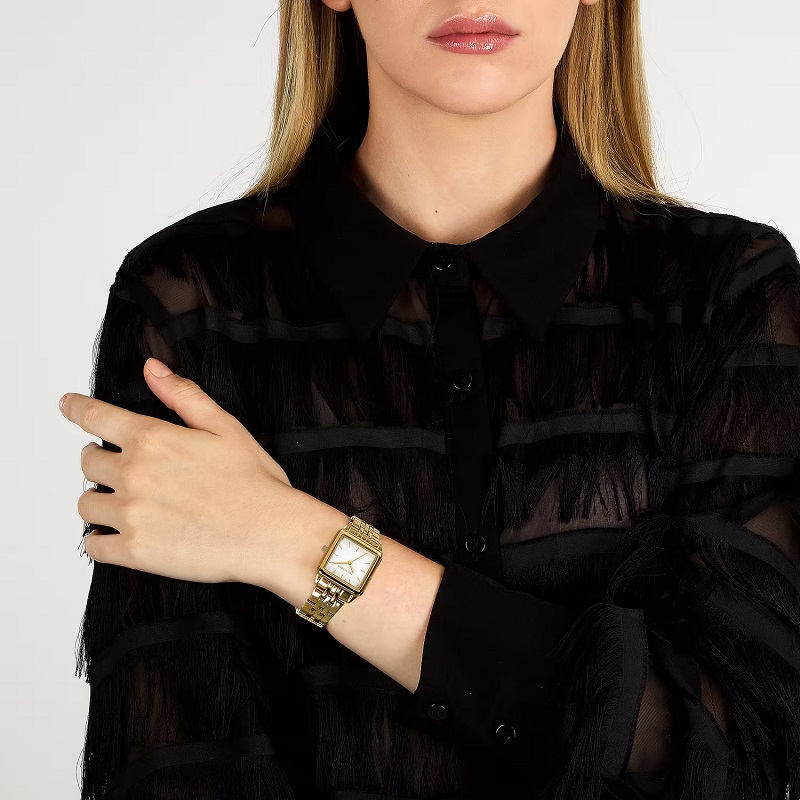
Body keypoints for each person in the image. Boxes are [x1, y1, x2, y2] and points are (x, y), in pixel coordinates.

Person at [67, 2, 800, 799]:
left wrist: (293, 543)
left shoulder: (728, 297)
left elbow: (741, 758)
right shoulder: (190, 304)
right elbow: (173, 765)